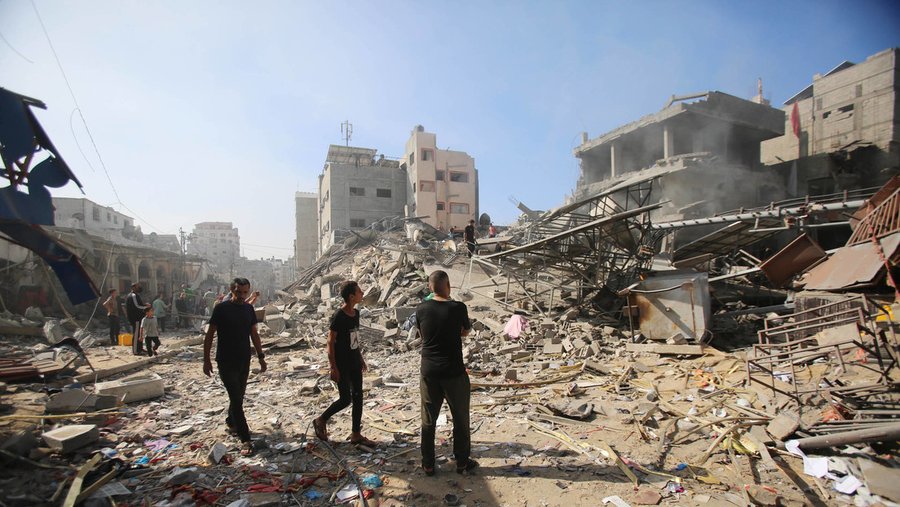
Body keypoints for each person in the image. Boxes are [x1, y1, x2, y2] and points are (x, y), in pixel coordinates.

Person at [415, 270, 477, 476]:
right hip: (454, 372)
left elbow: (422, 335)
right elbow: (465, 331)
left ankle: (428, 464)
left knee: (428, 420)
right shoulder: (458, 308)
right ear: (448, 286)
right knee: (460, 418)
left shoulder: (421, 309)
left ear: (430, 287)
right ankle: (462, 462)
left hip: (429, 371)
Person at [203, 277, 267, 456]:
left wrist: (261, 357)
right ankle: (245, 438)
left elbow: (254, 334)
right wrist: (206, 359)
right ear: (231, 290)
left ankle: (231, 422)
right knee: (236, 398)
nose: (242, 295)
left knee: (239, 395)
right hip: (225, 360)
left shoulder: (248, 309)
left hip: (243, 359)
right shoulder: (221, 309)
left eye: (245, 292)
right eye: (238, 292)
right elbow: (210, 335)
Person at [312, 281, 376, 447]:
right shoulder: (339, 316)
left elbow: (354, 339)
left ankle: (356, 434)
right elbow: (330, 342)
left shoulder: (356, 314)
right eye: (359, 291)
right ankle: (321, 419)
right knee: (345, 399)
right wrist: (333, 367)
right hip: (342, 363)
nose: (362, 293)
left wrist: (360, 358)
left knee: (358, 397)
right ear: (351, 296)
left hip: (354, 361)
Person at [125, 283, 150, 355]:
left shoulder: (136, 295)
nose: (139, 287)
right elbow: (136, 306)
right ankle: (135, 350)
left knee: (140, 334)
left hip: (139, 317)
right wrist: (146, 308)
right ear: (133, 287)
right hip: (135, 318)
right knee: (136, 334)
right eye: (138, 286)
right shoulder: (133, 295)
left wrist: (145, 305)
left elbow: (139, 305)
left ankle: (140, 348)